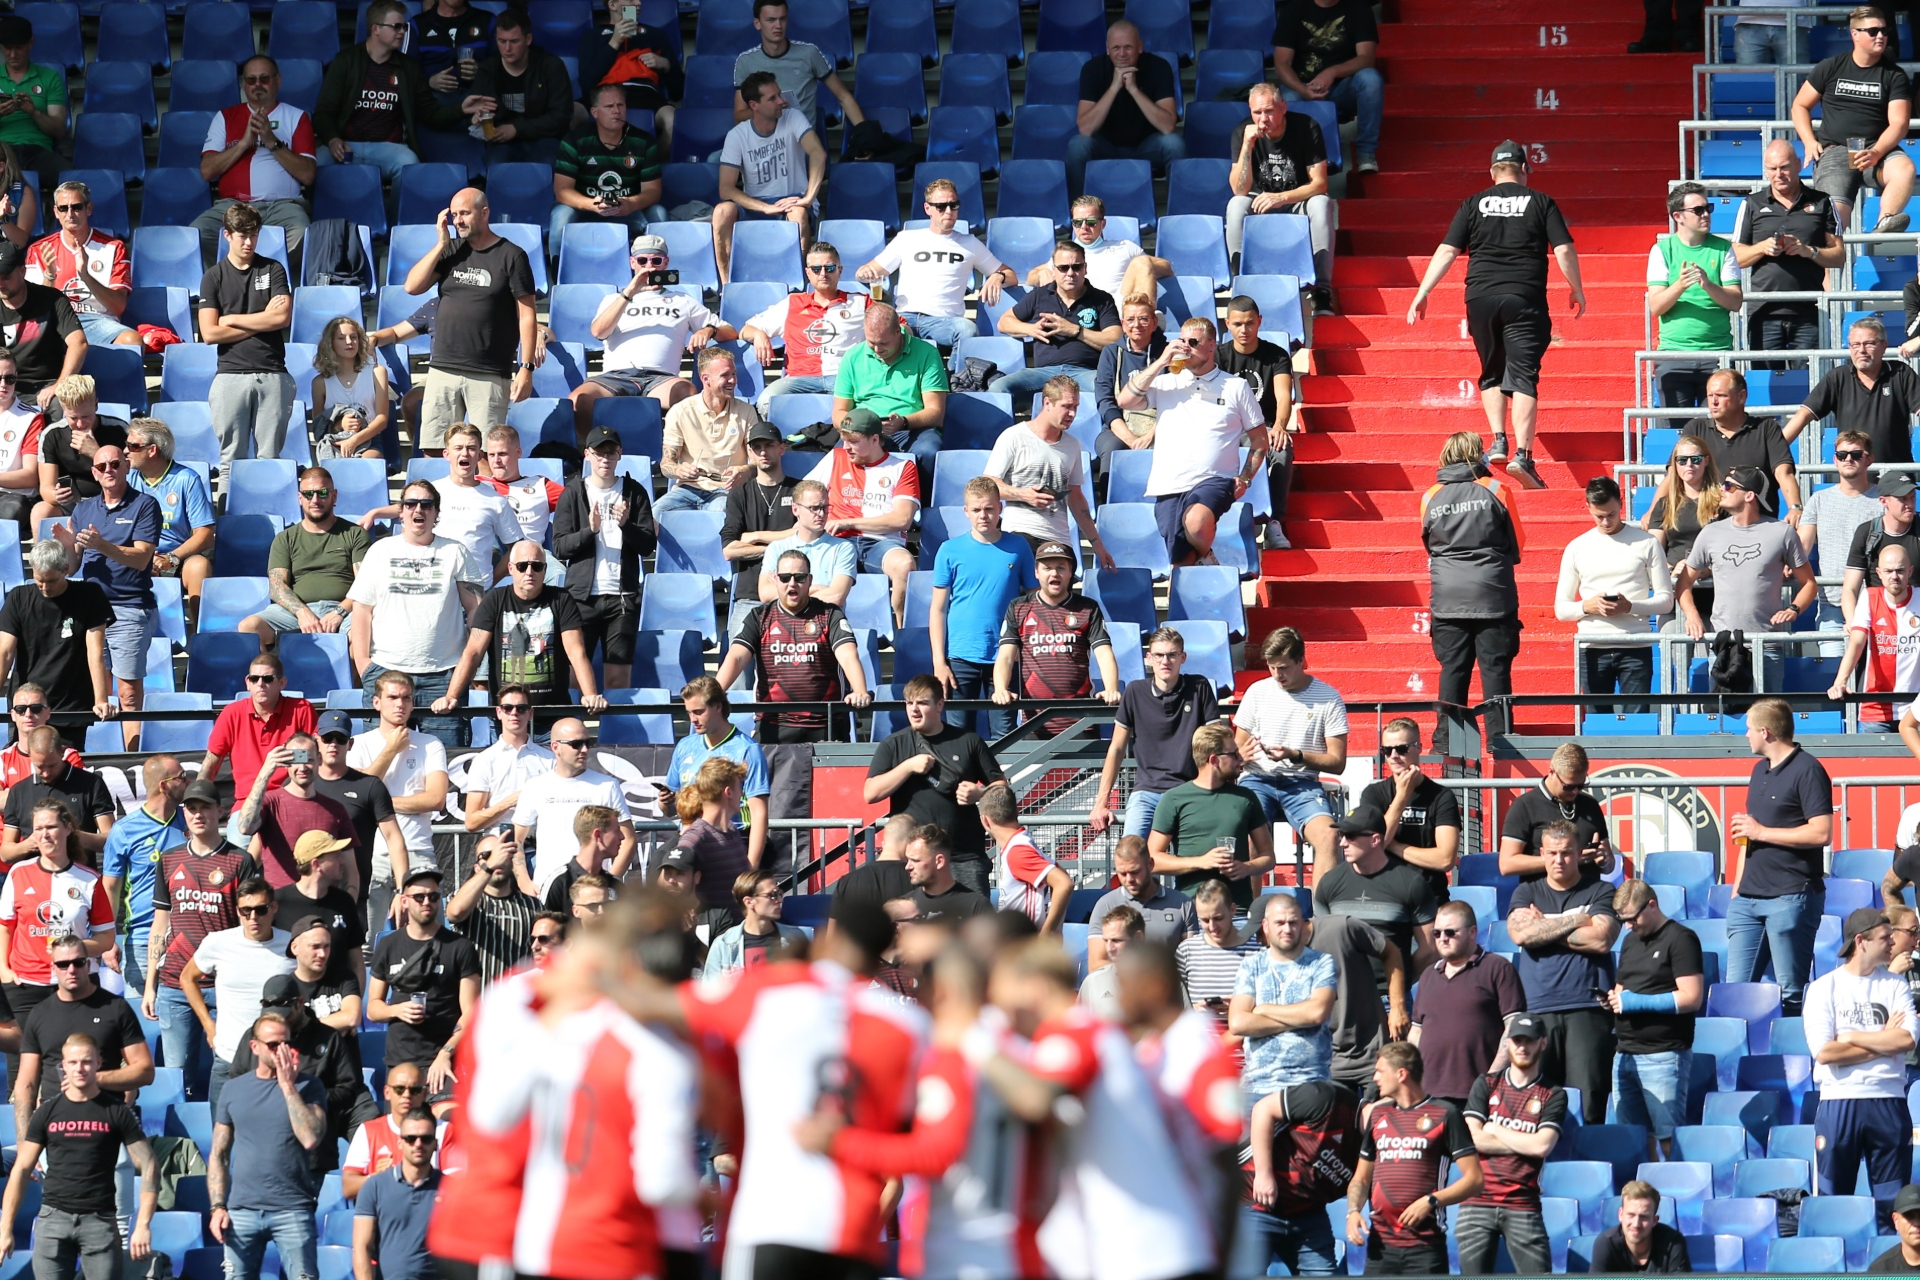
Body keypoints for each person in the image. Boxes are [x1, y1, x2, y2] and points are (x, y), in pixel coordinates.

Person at [1407, 141, 1585, 489]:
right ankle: (1524, 456)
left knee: (1491, 370)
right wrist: (1576, 287)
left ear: (1492, 173)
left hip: (1480, 297)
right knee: (1523, 375)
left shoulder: (1473, 203)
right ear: (1524, 169)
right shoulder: (1541, 201)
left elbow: (1447, 249)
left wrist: (1423, 291)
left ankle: (1499, 440)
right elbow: (1563, 248)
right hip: (1523, 296)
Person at [0, 1032, 157, 1280]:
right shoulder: (47, 1112)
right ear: (63, 1066)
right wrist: (5, 1228)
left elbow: (148, 1164)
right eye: (73, 1063)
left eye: (86, 1062)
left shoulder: (117, 1112)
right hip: (52, 1220)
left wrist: (143, 1224)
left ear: (98, 1063)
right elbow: (20, 1170)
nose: (80, 1068)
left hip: (100, 1222)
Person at [1118, 315, 1267, 568]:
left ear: (1212, 345)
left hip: (1215, 478)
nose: (1186, 347)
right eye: (1182, 341)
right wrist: (1162, 361)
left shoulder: (1236, 386)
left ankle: (1206, 554)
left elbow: (1260, 439)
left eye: (1193, 342)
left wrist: (1245, 478)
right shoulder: (1165, 382)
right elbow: (1125, 401)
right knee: (1180, 566)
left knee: (1197, 521)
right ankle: (1205, 561)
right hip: (1169, 484)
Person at [346, 481, 485, 747]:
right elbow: (362, 610)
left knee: (447, 764)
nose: (417, 509)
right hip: (387, 673)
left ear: (436, 513)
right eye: (410, 504)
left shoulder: (455, 551)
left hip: (443, 676)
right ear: (401, 511)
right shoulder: (380, 551)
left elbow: (476, 609)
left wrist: (466, 665)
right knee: (382, 762)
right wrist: (365, 665)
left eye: (426, 504)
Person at [401, 189, 538, 455]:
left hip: (488, 370)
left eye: (464, 213)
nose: (458, 220)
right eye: (453, 215)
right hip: (444, 367)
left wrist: (526, 367)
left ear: (484, 213)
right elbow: (412, 286)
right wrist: (441, 243)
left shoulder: (512, 255)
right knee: (435, 450)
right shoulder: (451, 249)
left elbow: (528, 314)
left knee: (487, 454)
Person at [145, 779, 256, 1099]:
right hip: (174, 984)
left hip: (224, 985)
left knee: (229, 1069)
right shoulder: (169, 859)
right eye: (191, 808)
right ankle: (187, 1143)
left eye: (205, 807)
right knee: (178, 1076)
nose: (197, 814)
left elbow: (248, 925)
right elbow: (160, 924)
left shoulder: (239, 861)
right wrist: (152, 982)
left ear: (220, 811)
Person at [1806, 907, 1916, 1222]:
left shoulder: (1895, 985)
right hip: (1839, 1101)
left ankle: (1889, 1270)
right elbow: (1825, 1052)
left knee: (1892, 1208)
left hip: (1889, 1101)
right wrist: (1883, 1039)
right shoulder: (1823, 988)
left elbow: (1906, 1040)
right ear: (1860, 941)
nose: (1892, 944)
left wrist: (1852, 1036)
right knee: (1831, 1203)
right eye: (1885, 938)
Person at [1415, 431, 1528, 740]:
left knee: (1453, 669)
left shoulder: (1430, 496)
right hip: (1493, 595)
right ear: (1477, 454)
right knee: (1495, 670)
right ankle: (1500, 740)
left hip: (1448, 597)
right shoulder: (1497, 489)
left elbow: (1429, 545)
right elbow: (1518, 542)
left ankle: (1449, 740)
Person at [1506, 821, 1620, 1124]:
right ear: (1542, 853)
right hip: (1538, 1008)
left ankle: (1589, 1170)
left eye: (1567, 853)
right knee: (1536, 1104)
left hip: (1588, 1008)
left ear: (1578, 853)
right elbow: (1520, 936)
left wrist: (1543, 925)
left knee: (1589, 1103)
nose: (1559, 860)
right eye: (1553, 853)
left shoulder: (1602, 890)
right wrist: (1580, 920)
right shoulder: (1525, 891)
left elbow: (1601, 940)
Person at [1675, 464, 1818, 692]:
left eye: (1729, 486)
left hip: (1767, 645)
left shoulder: (1782, 532)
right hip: (1724, 645)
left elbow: (1809, 584)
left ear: (1750, 495)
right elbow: (1683, 583)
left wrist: (1793, 608)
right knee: (1725, 723)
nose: (1722, 489)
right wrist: (1692, 616)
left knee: (1768, 718)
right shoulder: (1710, 533)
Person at [208, 1012, 329, 1280]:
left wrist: (288, 1086)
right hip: (242, 1210)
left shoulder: (309, 1086)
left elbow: (310, 1137)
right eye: (274, 1045)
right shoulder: (233, 1089)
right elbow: (219, 1154)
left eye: (287, 1043)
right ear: (255, 1047)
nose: (281, 1051)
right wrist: (218, 1206)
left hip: (293, 1209)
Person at [1345, 1042, 1483, 1276]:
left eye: (1380, 1071)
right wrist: (1353, 1211)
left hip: (1425, 1248)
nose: (1375, 1078)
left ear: (1401, 1074)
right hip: (1380, 1248)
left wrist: (1432, 1200)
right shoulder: (1378, 1115)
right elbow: (1361, 1178)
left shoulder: (1445, 1113)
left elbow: (1475, 1180)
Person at [52, 441, 157, 748]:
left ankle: (131, 758)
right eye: (102, 467)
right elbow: (72, 568)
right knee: (94, 691)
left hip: (130, 606)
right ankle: (94, 755)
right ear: (94, 474)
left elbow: (141, 559)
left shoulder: (144, 505)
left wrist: (102, 545)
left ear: (126, 466)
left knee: (128, 693)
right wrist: (70, 545)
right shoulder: (84, 508)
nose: (108, 470)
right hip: (90, 610)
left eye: (114, 464)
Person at [569, 236, 725, 438]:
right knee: (578, 399)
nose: (649, 266)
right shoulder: (613, 299)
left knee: (687, 394)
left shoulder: (683, 300)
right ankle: (592, 454)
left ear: (666, 263)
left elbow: (728, 330)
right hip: (614, 376)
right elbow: (599, 332)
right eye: (642, 261)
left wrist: (707, 329)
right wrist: (629, 293)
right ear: (632, 262)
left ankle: (675, 456)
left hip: (661, 378)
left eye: (656, 261)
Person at [866, 675, 1007, 897]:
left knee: (973, 927)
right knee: (912, 928)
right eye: (909, 703)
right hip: (913, 860)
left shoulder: (968, 740)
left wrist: (979, 793)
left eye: (922, 703)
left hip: (964, 857)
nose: (914, 710)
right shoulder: (893, 744)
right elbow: (871, 793)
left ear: (940, 704)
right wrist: (907, 767)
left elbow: (1002, 787)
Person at [720, 546, 871, 744]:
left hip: (826, 723)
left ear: (809, 581)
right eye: (785, 577)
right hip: (773, 723)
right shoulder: (759, 616)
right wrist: (715, 691)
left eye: (799, 578)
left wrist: (860, 690)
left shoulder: (829, 614)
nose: (792, 584)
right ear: (775, 580)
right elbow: (737, 656)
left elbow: (848, 655)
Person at [1454, 1014, 1565, 1276]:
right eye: (1517, 1040)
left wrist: (1494, 1128)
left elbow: (1542, 1147)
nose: (1522, 1047)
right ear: (1508, 1044)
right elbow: (1473, 1140)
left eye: (1529, 1041)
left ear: (1543, 1043)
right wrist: (1523, 1141)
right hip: (1476, 1204)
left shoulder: (1553, 1093)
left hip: (1523, 1204)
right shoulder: (1486, 1083)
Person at [1234, 628, 1348, 881]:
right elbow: (1236, 749)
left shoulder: (1328, 697)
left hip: (1303, 784)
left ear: (1301, 661)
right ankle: (1251, 917)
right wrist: (1243, 755)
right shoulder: (1257, 692)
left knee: (1329, 836)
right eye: (1272, 667)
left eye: (1283, 667)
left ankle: (1323, 918)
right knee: (1250, 834)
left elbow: (1337, 762)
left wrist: (1295, 755)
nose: (1277, 675)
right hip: (1257, 779)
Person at [435, 540, 601, 711]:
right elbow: (474, 652)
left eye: (536, 566)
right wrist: (451, 696)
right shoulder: (494, 600)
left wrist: (590, 695)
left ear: (544, 570)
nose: (529, 572)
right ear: (511, 568)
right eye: (522, 566)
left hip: (552, 713)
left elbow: (576, 652)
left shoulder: (561, 599)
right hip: (507, 714)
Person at [552, 427, 658, 690]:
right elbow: (560, 548)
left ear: (619, 454)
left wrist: (626, 525)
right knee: (576, 674)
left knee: (618, 678)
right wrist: (590, 531)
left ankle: (617, 731)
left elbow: (647, 546)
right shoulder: (573, 493)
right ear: (587, 455)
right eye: (599, 454)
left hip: (622, 599)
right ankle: (575, 729)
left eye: (610, 453)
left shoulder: (634, 492)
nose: (605, 460)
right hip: (580, 598)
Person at [931, 479, 1037, 739]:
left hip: (1005, 655)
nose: (984, 516)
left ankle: (1002, 781)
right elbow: (938, 609)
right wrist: (938, 662)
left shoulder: (1018, 547)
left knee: (1005, 735)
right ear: (966, 511)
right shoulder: (949, 550)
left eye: (989, 509)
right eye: (977, 510)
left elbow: (1033, 600)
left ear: (1000, 508)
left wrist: (1024, 646)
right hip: (960, 657)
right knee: (957, 737)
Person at [1090, 627, 1220, 839]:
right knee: (1132, 854)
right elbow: (1116, 748)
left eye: (1172, 654)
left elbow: (1218, 743)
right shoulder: (1134, 691)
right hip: (1146, 792)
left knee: (1192, 862)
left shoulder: (1199, 687)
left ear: (1183, 657)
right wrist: (1100, 803)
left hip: (1190, 790)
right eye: (1158, 655)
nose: (1165, 661)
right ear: (1148, 658)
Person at [1556, 476, 1672, 713]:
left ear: (1621, 504)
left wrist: (1629, 606)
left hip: (1635, 645)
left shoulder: (1647, 543)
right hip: (1592, 646)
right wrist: (1587, 607)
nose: (1606, 521)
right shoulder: (1577, 547)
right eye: (1599, 516)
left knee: (1638, 726)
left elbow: (1666, 600)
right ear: (1588, 507)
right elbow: (1561, 608)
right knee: (1598, 726)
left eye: (1611, 514)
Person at [1607, 879, 1704, 1161]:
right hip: (1625, 1054)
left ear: (1651, 905)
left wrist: (1636, 1002)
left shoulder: (1681, 938)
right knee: (1634, 1140)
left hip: (1663, 1055)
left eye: (1631, 918)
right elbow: (1623, 989)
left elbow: (1692, 997)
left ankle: (1673, 1199)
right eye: (1622, 920)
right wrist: (1614, 999)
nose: (1627, 926)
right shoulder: (1629, 941)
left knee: (1667, 1140)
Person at [1794, 6, 1914, 234]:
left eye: (1884, 31)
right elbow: (1799, 105)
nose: (1881, 36)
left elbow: (1899, 123)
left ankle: (1885, 224)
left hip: (1877, 150)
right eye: (1873, 31)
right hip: (1836, 150)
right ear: (1855, 34)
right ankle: (1828, 265)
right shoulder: (1830, 66)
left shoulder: (1894, 75)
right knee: (1833, 224)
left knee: (1905, 169)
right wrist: (1809, 141)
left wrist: (1877, 151)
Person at [856, 180, 1015, 353]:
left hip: (944, 321)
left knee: (967, 330)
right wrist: (864, 273)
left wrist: (998, 276)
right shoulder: (906, 239)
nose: (948, 211)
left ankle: (956, 380)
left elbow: (1011, 275)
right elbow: (868, 270)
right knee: (881, 331)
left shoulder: (970, 243)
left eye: (954, 205)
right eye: (941, 206)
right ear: (927, 209)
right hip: (905, 317)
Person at [13, 932, 151, 1130]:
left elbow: (145, 1071)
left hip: (106, 1124)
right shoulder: (39, 1014)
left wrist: (93, 1079)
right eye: (63, 964)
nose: (71, 970)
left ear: (88, 965)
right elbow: (26, 1084)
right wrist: (24, 1140)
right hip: (54, 1127)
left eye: (78, 962)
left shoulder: (115, 1008)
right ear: (53, 968)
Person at [314, 0, 463, 180]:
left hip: (387, 147)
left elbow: (430, 113)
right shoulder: (346, 61)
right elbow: (324, 111)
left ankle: (396, 210)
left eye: (404, 27)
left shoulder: (408, 67)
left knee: (408, 163)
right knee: (315, 164)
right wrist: (332, 139)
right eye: (396, 27)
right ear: (376, 29)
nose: (402, 32)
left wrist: (462, 109)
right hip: (345, 145)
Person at [181, 879, 293, 1110]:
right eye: (246, 910)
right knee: (222, 1138)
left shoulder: (291, 944)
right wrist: (209, 1026)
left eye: (261, 909)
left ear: (273, 908)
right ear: (237, 911)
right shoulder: (218, 942)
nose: (253, 917)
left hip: (276, 1060)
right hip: (228, 1058)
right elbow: (187, 978)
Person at [197, 202, 295, 467]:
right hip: (230, 373)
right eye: (242, 235)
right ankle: (229, 510)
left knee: (270, 460)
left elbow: (282, 317)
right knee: (230, 461)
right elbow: (209, 333)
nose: (249, 242)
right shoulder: (213, 276)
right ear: (227, 235)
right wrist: (263, 319)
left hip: (273, 371)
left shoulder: (273, 268)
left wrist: (232, 320)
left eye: (254, 235)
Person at [194, 56, 317, 267]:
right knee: (196, 234)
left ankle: (265, 277)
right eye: (251, 80)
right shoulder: (225, 117)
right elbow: (207, 171)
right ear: (244, 85)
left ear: (278, 80)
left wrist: (271, 141)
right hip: (233, 206)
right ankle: (238, 279)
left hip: (282, 205)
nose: (257, 85)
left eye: (264, 78)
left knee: (302, 234)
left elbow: (308, 175)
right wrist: (243, 143)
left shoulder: (296, 117)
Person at [993, 538, 1122, 736]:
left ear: (1070, 573)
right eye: (1047, 568)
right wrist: (1001, 689)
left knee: (1087, 768)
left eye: (1061, 567)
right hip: (1034, 724)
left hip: (1081, 722)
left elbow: (1104, 654)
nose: (1054, 573)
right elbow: (1006, 657)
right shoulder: (1018, 607)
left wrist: (1111, 688)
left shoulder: (1088, 608)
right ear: (1036, 572)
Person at [365, 868, 480, 1089]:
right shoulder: (389, 945)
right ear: (404, 901)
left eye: (433, 896)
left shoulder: (459, 946)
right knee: (403, 1123)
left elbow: (471, 1014)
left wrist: (446, 1053)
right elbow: (373, 1009)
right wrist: (397, 1010)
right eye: (419, 897)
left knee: (446, 1120)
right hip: (401, 1061)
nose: (427, 902)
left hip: (445, 1060)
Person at [1409, 899, 1528, 1111]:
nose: (1443, 939)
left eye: (1450, 932)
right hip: (1428, 1095)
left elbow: (1514, 1028)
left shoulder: (1496, 968)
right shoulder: (1428, 975)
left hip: (1476, 1096)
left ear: (1472, 932)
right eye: (1437, 933)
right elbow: (1416, 1033)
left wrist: (1490, 1081)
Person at [807, 403, 923, 621]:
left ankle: (901, 631)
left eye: (854, 442)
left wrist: (848, 522)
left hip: (880, 543)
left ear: (875, 440)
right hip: (838, 542)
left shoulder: (902, 467)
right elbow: (804, 494)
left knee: (905, 565)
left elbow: (903, 519)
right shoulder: (836, 457)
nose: (847, 447)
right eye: (844, 440)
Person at [359, 423, 520, 579]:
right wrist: (375, 513)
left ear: (479, 455)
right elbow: (406, 520)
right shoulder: (431, 493)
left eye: (471, 448)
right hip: (433, 587)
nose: (465, 454)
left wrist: (492, 582)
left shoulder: (496, 500)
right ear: (446, 454)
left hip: (476, 592)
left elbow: (516, 547)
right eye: (458, 448)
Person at [347, 678, 449, 920]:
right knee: (366, 943)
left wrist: (379, 805)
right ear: (376, 702)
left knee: (427, 939)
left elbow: (436, 799)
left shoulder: (430, 744)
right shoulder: (359, 744)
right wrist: (391, 749)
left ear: (413, 704)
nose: (400, 704)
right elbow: (358, 794)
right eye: (392, 697)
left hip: (418, 850)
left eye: (406, 698)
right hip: (372, 854)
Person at [238, 467, 371, 651]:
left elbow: (366, 584)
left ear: (334, 496)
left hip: (346, 610)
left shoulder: (354, 534)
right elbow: (277, 587)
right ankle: (271, 678)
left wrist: (339, 612)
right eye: (309, 494)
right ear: (300, 498)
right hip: (295, 611)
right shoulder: (285, 538)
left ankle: (350, 681)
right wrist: (302, 613)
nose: (315, 500)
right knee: (249, 628)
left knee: (363, 634)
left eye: (322, 493)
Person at [1148, 721, 1274, 915]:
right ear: (1214, 760)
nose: (1240, 758)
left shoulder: (1246, 798)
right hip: (1191, 912)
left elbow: (1268, 857)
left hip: (1236, 911)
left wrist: (1246, 868)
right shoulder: (1173, 799)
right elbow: (1152, 860)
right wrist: (1201, 861)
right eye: (1233, 754)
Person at [1733, 140, 1844, 358]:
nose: (1778, 174)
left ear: (1798, 164)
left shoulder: (1822, 202)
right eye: (1772, 169)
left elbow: (1839, 256)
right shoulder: (1751, 203)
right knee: (1765, 382)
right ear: (1765, 170)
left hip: (1809, 311)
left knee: (1809, 383)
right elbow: (1736, 257)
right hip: (1763, 312)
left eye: (1784, 167)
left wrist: (1808, 251)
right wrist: (1763, 248)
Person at [984, 378, 1113, 566]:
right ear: (1047, 403)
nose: (1072, 414)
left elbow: (1076, 498)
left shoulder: (1072, 445)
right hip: (1020, 535)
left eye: (1075, 407)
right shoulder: (1014, 436)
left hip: (1059, 540)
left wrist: (1098, 545)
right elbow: (989, 485)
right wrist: (1023, 495)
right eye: (1066, 406)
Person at [713, 71, 826, 286]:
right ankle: (728, 286)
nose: (781, 101)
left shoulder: (792, 117)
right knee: (722, 211)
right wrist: (764, 207)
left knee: (799, 214)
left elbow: (818, 153)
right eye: (772, 98)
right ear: (754, 105)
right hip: (757, 204)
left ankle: (797, 284)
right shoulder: (737, 135)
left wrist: (809, 197)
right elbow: (726, 189)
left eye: (779, 95)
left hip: (793, 199)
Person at [1229, 84, 1336, 308]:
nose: (1263, 119)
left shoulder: (1306, 126)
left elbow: (1320, 183)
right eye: (1257, 112)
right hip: (1259, 203)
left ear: (1283, 108)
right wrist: (1247, 146)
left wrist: (1281, 197)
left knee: (1322, 203)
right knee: (1236, 205)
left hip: (1297, 200)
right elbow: (1239, 189)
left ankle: (1322, 290)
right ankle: (1240, 285)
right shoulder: (1243, 130)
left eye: (1269, 111)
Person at [1646, 182, 1743, 408]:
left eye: (1708, 208)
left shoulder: (1723, 248)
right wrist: (1680, 285)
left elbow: (1736, 301)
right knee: (1678, 434)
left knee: (1720, 431)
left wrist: (1708, 284)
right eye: (1698, 210)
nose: (1706, 214)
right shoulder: (1662, 250)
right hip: (1674, 356)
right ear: (1678, 216)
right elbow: (1656, 306)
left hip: (1717, 355)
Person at [1227, 892, 1337, 1089]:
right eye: (1280, 923)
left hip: (1309, 1082)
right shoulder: (1251, 965)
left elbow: (1316, 1013)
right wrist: (1299, 1018)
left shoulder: (1321, 962)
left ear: (1303, 925)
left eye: (1293, 922)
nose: (1287, 929)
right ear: (1266, 926)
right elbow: (1238, 1023)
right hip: (1258, 1083)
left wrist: (1263, 1009)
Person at [99, 754, 187, 997]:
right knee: (143, 1026)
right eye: (181, 777)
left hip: (189, 937)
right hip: (142, 940)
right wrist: (107, 941)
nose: (188, 781)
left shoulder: (192, 820)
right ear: (164, 785)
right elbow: (110, 889)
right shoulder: (125, 831)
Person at [511, 721, 635, 894]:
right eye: (576, 744)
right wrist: (524, 882)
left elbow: (628, 839)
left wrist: (609, 881)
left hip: (594, 889)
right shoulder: (535, 786)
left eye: (588, 743)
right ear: (555, 747)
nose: (584, 749)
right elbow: (516, 840)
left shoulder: (608, 785)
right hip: (547, 888)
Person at [1218, 294, 1299, 549]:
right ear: (1227, 323)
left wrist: (1279, 426)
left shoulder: (1276, 355)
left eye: (1250, 323)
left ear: (1259, 321)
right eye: (1238, 324)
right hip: (1228, 429)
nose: (1244, 330)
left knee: (1282, 449)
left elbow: (1283, 395)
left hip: (1263, 429)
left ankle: (1275, 522)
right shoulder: (1218, 357)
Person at [745, 240, 867, 409]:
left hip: (844, 377)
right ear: (808, 273)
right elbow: (745, 330)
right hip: (799, 379)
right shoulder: (792, 303)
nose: (823, 273)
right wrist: (759, 334)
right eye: (816, 269)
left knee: (871, 403)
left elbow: (898, 326)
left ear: (840, 271)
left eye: (829, 268)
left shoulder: (860, 302)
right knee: (767, 402)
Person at [0, 544, 113, 726]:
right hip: (27, 708)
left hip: (71, 704)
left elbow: (95, 651)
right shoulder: (18, 598)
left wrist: (100, 699)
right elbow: (5, 653)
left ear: (66, 569)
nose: (44, 587)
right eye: (39, 581)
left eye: (51, 581)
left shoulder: (90, 596)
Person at [1067, 20, 1184, 196]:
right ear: (1107, 49)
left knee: (1174, 143)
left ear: (1140, 47)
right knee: (1077, 145)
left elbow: (1168, 126)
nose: (1122, 54)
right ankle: (1079, 214)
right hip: (1105, 147)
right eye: (1116, 48)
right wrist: (1114, 87)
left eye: (1128, 47)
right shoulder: (1093, 69)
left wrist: (1133, 89)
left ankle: (1180, 214)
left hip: (1146, 148)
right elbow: (1085, 128)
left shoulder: (1159, 67)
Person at [991, 242, 1121, 399]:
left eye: (1077, 267)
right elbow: (1004, 322)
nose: (1070, 273)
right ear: (1054, 270)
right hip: (1043, 374)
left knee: (1110, 388)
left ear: (1085, 268)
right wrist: (1030, 329)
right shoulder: (1039, 295)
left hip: (1085, 373)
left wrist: (1075, 330)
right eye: (1063, 268)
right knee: (998, 388)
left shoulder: (1101, 299)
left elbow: (1115, 339)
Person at [1783, 318, 1920, 465]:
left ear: (1884, 346)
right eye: (1855, 345)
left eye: (1869, 344)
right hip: (1853, 476)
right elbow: (1802, 416)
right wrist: (1771, 453)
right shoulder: (1838, 378)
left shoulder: (1900, 373)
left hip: (1897, 477)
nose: (1861, 350)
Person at [311, 712, 408, 912]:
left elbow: (394, 838)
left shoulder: (369, 786)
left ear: (351, 743)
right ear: (316, 740)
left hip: (355, 895)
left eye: (341, 739)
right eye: (327, 738)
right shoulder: (300, 784)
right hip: (306, 895)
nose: (333, 744)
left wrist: (401, 891)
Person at [1358, 718, 1461, 905]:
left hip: (1429, 896)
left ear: (1419, 748)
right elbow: (1373, 846)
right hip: (1385, 897)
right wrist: (1402, 797)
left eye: (1402, 749)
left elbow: (1445, 860)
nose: (1394, 756)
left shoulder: (1441, 796)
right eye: (1387, 751)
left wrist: (1393, 846)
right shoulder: (1373, 793)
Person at [25, 180, 137, 351]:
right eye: (63, 208)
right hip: (56, 320)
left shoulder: (114, 247)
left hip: (98, 320)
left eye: (76, 207)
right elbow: (35, 308)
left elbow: (118, 307)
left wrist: (85, 275)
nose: (70, 214)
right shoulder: (39, 249)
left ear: (88, 209)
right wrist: (49, 275)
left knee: (132, 340)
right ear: (56, 212)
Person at [236, 734, 356, 891]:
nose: (302, 767)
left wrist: (347, 909)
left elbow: (351, 873)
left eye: (308, 759)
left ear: (319, 759)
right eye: (295, 760)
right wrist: (265, 772)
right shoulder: (271, 803)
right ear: (285, 763)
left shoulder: (335, 809)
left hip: (323, 907)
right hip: (279, 908)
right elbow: (245, 827)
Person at [549, 82, 662, 244]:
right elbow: (562, 190)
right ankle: (558, 268)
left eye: (620, 105)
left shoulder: (643, 141)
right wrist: (592, 204)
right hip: (583, 208)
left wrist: (632, 203)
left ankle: (657, 267)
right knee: (562, 216)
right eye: (609, 106)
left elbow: (653, 191)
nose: (616, 111)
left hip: (628, 210)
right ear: (594, 112)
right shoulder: (575, 140)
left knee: (659, 213)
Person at [204, 652, 317, 806]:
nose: (260, 684)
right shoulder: (231, 713)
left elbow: (315, 758)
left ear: (282, 683)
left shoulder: (302, 709)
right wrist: (199, 797)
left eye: (268, 679)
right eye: (254, 679)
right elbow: (211, 762)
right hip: (247, 801)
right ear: (247, 682)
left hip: (293, 798)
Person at [460, 10, 572, 166]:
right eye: (501, 41)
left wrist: (516, 129)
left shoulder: (551, 66)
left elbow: (561, 116)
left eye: (514, 41)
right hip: (501, 142)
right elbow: (473, 114)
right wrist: (476, 119)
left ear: (528, 39)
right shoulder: (487, 70)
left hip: (544, 138)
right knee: (496, 163)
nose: (507, 48)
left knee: (549, 163)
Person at [1800, 429, 1882, 642]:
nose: (1848, 459)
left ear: (1869, 460)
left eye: (1856, 455)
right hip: (1832, 605)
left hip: (1877, 603)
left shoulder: (1884, 499)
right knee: (1835, 673)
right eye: (1841, 455)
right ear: (1835, 460)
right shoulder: (1818, 500)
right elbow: (1802, 547)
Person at [125, 418, 215, 611]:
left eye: (132, 446)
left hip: (177, 557)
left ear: (152, 450)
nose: (126, 451)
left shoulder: (186, 480)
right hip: (137, 554)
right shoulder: (127, 478)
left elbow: (205, 534)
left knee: (199, 565)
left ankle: (200, 635)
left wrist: (171, 558)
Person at [657, 347, 760, 517]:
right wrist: (679, 470)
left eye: (734, 374)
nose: (733, 381)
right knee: (654, 515)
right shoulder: (680, 411)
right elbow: (666, 464)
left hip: (726, 489)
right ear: (706, 379)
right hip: (687, 489)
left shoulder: (746, 411)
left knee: (719, 514)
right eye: (725, 375)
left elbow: (758, 461)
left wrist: (745, 470)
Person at [730, 0, 862, 130]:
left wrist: (866, 131)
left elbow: (843, 96)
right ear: (757, 23)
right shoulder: (745, 61)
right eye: (771, 20)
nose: (778, 25)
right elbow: (739, 117)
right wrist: (767, 109)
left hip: (802, 141)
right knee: (716, 154)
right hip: (763, 145)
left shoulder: (809, 53)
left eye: (782, 19)